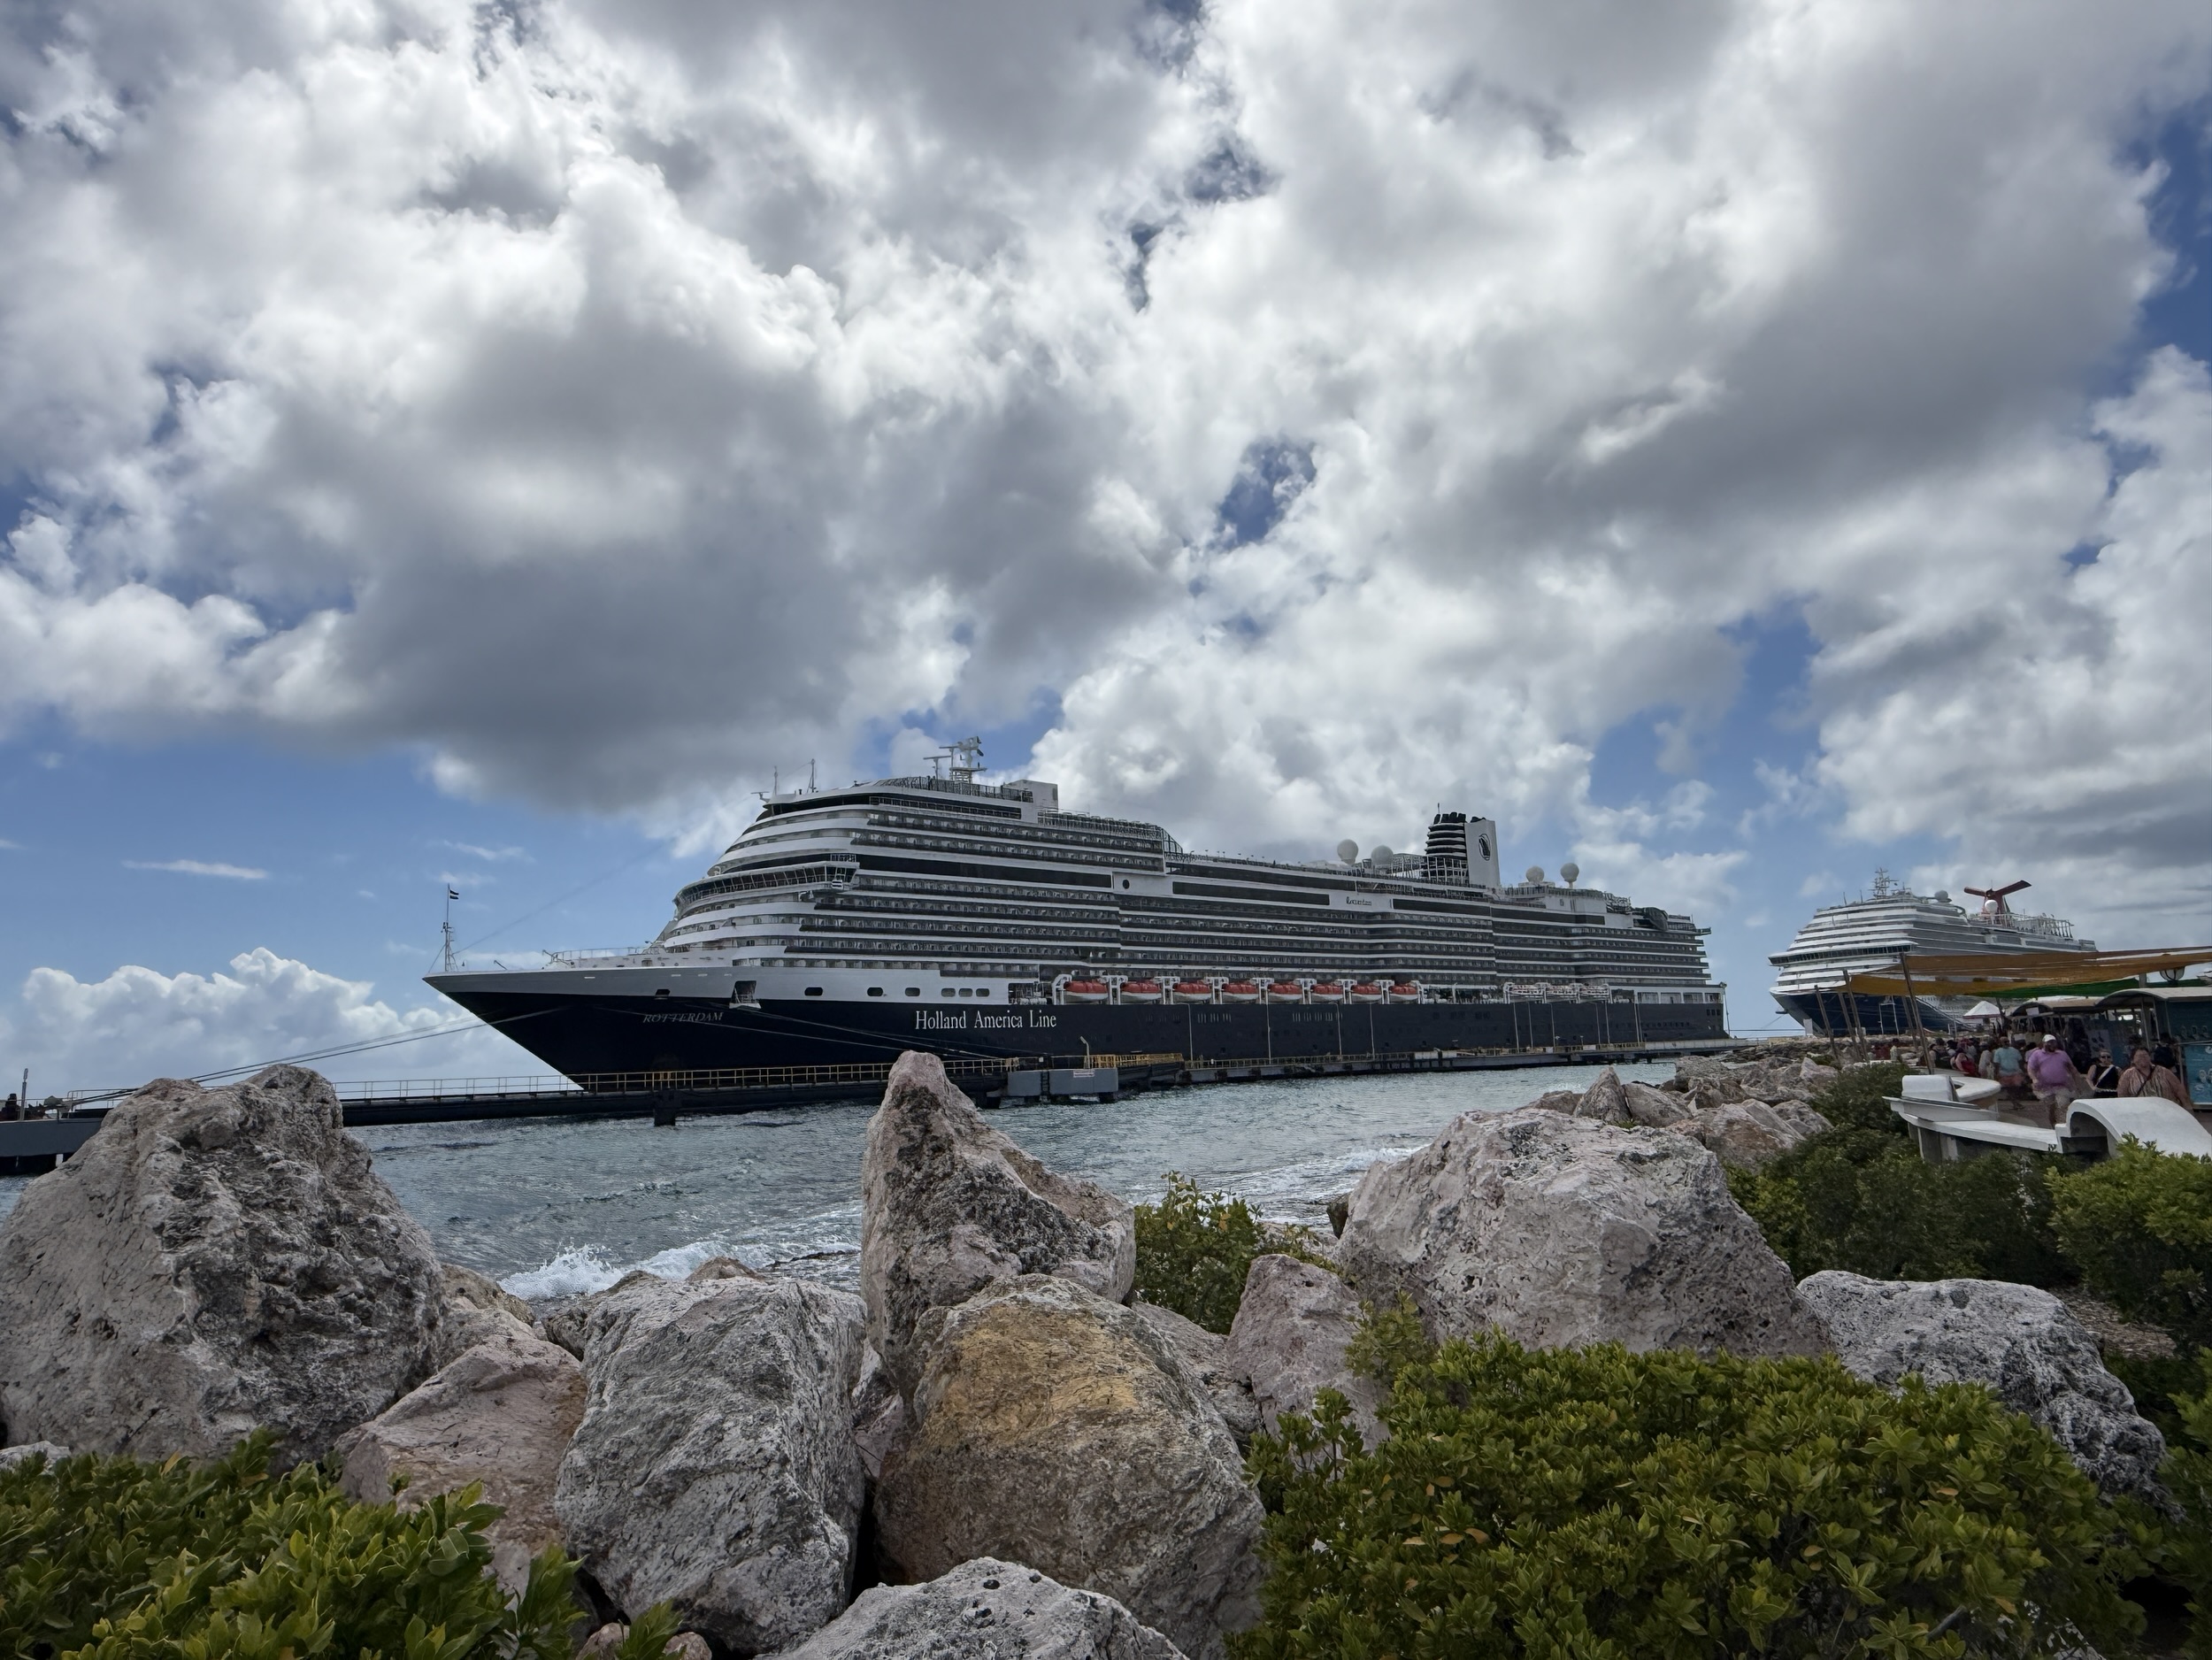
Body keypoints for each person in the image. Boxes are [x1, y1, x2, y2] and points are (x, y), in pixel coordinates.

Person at [2026, 1034, 2085, 1126]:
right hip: (2044, 1088)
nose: (2052, 1045)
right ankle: (2053, 1125)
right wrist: (2034, 1079)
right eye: (2049, 1043)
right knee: (2051, 1109)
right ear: (2044, 1044)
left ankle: (2062, 1126)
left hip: (2061, 1086)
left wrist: (2077, 1084)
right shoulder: (2037, 1054)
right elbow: (2031, 1069)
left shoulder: (2062, 1054)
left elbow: (2072, 1069)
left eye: (2053, 1042)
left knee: (2063, 1106)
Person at [2116, 1047, 2191, 1107]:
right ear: (2133, 1060)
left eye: (2145, 1055)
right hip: (2143, 1114)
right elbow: (2122, 1096)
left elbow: (2179, 1090)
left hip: (2167, 1111)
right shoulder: (2128, 1075)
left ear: (2149, 1057)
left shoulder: (2163, 1071)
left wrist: (2188, 1109)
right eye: (2139, 1056)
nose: (2143, 1058)